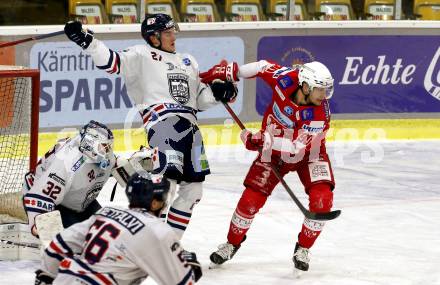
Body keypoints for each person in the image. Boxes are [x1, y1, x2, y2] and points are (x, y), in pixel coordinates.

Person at [64, 14, 238, 239]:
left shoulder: (188, 61)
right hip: (163, 125)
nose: (173, 36)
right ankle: (152, 243)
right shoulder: (140, 55)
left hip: (192, 129)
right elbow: (110, 62)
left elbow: (199, 99)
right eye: (167, 33)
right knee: (167, 186)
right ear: (154, 37)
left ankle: (169, 244)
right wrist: (86, 41)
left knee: (194, 191)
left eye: (173, 31)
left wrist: (218, 93)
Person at [200, 60, 336, 271]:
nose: (324, 95)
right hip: (272, 155)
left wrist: (262, 140)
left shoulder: (319, 115)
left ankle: (303, 248)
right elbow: (262, 67)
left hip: (310, 154)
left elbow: (295, 149)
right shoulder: (285, 79)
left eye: (327, 89)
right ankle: (232, 243)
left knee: (322, 200)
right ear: (305, 86)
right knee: (249, 201)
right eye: (320, 89)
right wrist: (233, 72)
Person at [34, 173, 202, 285]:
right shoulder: (158, 230)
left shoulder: (105, 213)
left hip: (66, 279)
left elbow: (58, 245)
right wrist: (191, 268)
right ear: (155, 203)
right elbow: (181, 282)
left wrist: (46, 276)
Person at [23, 120, 153, 237]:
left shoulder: (100, 156)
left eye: (108, 146)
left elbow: (120, 169)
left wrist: (136, 165)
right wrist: (39, 225)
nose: (107, 152)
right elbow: (39, 197)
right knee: (83, 239)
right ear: (90, 144)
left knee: (109, 231)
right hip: (56, 204)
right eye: (103, 147)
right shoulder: (66, 163)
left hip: (81, 203)